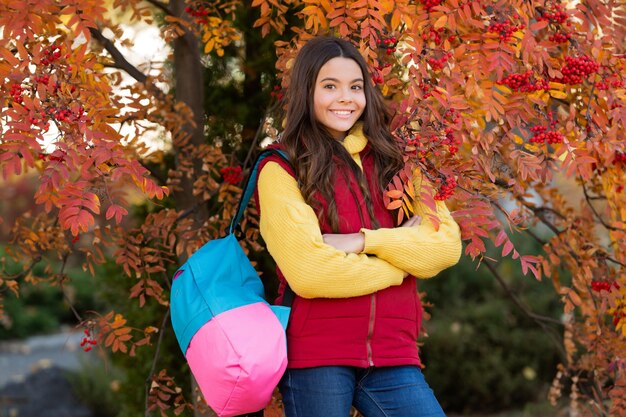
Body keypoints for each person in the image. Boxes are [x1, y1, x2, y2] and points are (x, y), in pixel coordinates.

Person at [255, 36, 462, 417]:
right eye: (330, 86)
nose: (345, 98)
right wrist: (404, 260)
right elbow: (309, 274)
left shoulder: (396, 161)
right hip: (316, 356)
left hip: (393, 352)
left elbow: (446, 246)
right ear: (307, 91)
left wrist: (361, 241)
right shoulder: (281, 167)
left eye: (355, 87)